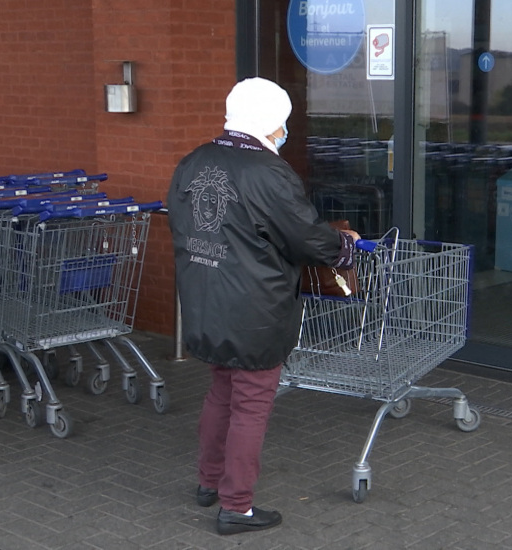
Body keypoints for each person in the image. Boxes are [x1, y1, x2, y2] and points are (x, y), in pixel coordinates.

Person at [166, 77, 359, 536]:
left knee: (220, 393)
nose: (283, 132)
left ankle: (208, 483)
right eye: (282, 123)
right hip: (254, 309)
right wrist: (343, 247)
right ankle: (236, 506)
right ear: (270, 121)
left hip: (204, 300)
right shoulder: (267, 172)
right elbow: (303, 235)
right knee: (251, 404)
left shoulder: (194, 161)